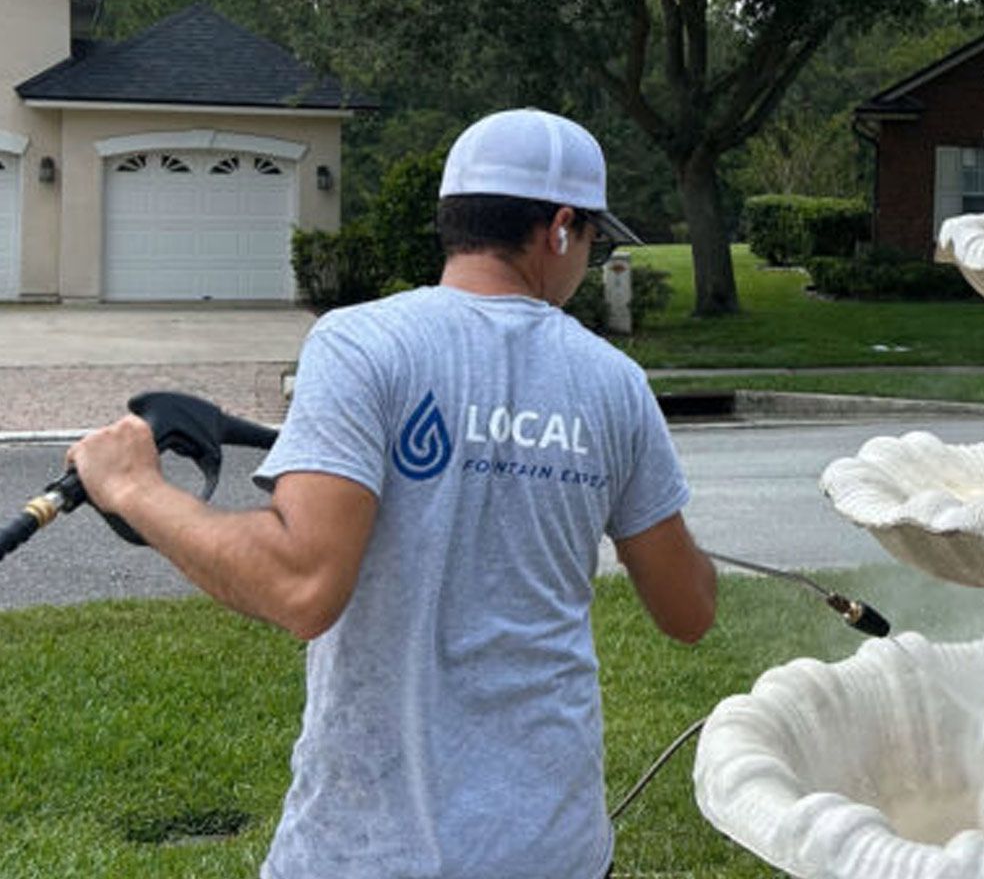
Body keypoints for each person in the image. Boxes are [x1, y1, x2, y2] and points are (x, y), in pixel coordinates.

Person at [67, 107, 717, 879]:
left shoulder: (363, 344)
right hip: (551, 849)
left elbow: (300, 582)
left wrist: (134, 487)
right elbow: (689, 610)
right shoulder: (614, 384)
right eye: (594, 240)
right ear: (562, 229)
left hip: (364, 851)